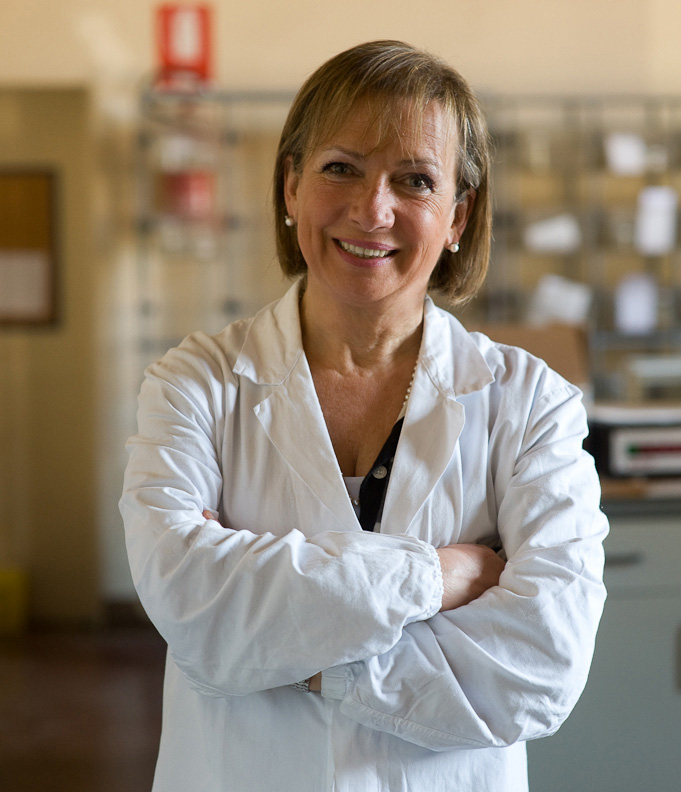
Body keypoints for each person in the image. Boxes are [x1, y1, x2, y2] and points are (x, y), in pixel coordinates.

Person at [120, 40, 608, 792]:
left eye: (415, 180)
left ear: (457, 215)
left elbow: (541, 670)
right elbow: (194, 609)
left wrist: (301, 658)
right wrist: (438, 576)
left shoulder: (530, 405)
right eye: (341, 167)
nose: (372, 210)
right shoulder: (195, 385)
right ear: (290, 186)